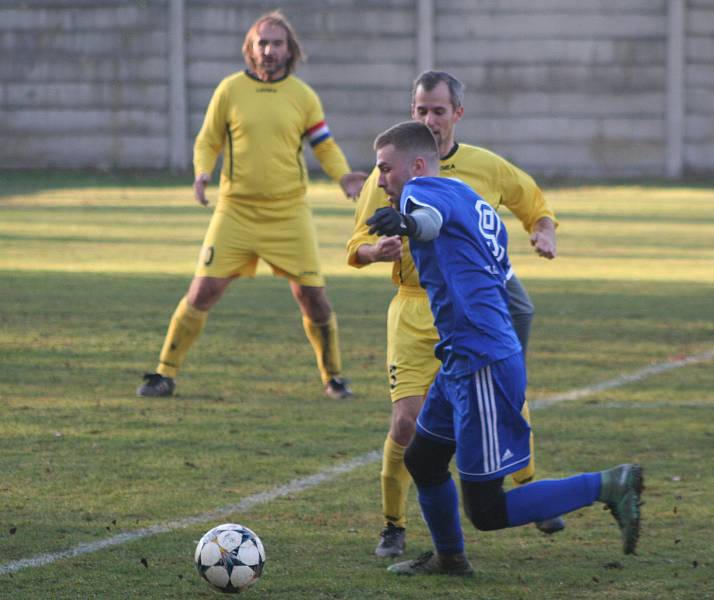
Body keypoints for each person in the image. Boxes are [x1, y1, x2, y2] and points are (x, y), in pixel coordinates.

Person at [366, 120, 644, 576]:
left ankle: (609, 484)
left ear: (416, 165)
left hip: (480, 362)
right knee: (423, 458)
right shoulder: (467, 195)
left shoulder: (420, 193)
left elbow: (428, 223)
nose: (380, 180)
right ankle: (450, 559)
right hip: (464, 355)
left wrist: (406, 222)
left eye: (384, 169)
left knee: (487, 510)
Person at [346, 71, 561, 557]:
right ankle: (394, 524)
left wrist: (544, 231)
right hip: (411, 310)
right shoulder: (390, 170)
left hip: (468, 309)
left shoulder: (478, 170)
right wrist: (372, 252)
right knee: (407, 424)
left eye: (437, 110)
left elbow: (532, 204)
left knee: (499, 396)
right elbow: (356, 244)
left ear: (457, 114)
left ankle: (528, 495)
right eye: (420, 110)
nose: (428, 118)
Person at [137, 10, 366, 400]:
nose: (269, 50)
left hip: (288, 212)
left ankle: (333, 378)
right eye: (262, 42)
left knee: (312, 296)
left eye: (277, 43)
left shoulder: (303, 96)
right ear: (250, 48)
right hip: (236, 211)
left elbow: (323, 144)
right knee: (202, 291)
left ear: (289, 49)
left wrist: (344, 176)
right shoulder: (229, 90)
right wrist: (201, 172)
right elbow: (207, 139)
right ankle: (164, 373)